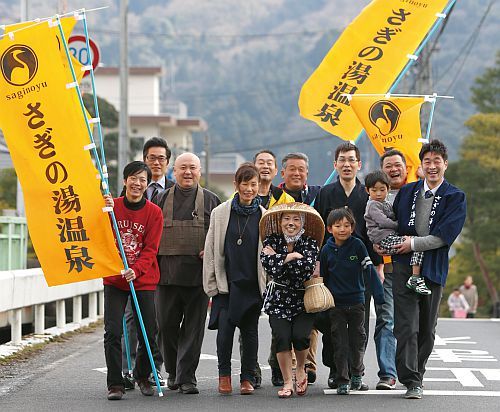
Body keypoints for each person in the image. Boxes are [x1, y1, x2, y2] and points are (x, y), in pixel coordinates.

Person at [391, 139, 466, 399]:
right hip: (403, 266)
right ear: (421, 166)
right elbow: (393, 224)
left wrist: (411, 243)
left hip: (432, 268)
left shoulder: (455, 196)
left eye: (437, 161)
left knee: (426, 328)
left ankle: (418, 372)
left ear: (445, 164)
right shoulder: (407, 191)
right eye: (427, 161)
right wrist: (383, 243)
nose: (432, 166)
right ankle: (411, 379)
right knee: (406, 325)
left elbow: (445, 236)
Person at [314, 142, 381, 390]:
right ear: (335, 165)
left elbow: (375, 234)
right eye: (342, 160)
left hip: (360, 272)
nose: (347, 164)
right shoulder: (326, 193)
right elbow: (318, 231)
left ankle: (357, 373)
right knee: (332, 324)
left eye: (352, 160)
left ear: (359, 164)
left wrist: (379, 267)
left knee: (358, 328)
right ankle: (335, 370)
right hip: (332, 271)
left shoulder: (367, 195)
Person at [155, 152, 221, 394]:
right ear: (174, 170)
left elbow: (219, 236)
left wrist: (210, 250)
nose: (188, 172)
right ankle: (173, 371)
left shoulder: (212, 200)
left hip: (198, 278)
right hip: (166, 276)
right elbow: (151, 236)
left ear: (200, 171)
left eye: (192, 168)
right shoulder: (160, 198)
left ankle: (187, 378)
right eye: (183, 168)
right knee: (166, 326)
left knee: (194, 329)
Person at [203, 163, 266, 395]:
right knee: (225, 333)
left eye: (253, 184)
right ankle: (224, 376)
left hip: (252, 283)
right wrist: (211, 285)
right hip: (227, 283)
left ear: (259, 186)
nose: (249, 189)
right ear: (236, 185)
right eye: (244, 184)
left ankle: (248, 377)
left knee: (250, 333)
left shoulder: (264, 217)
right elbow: (210, 250)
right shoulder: (220, 213)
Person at [103, 161, 163, 401]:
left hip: (143, 278)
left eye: (142, 180)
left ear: (147, 185)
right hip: (114, 279)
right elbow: (99, 237)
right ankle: (115, 383)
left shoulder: (153, 213)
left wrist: (135, 270)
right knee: (113, 332)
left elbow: (151, 249)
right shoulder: (111, 207)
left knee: (148, 331)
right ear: (125, 180)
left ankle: (141, 375)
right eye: (134, 178)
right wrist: (104, 210)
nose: (137, 184)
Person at [121, 137, 172, 389]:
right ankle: (127, 369)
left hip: (165, 266)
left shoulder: (175, 190)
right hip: (135, 268)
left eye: (161, 158)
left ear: (168, 162)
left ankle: (152, 369)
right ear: (144, 160)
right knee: (132, 319)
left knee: (155, 322)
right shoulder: (129, 190)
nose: (156, 162)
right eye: (151, 158)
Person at [260, 203, 324, 398]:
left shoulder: (310, 242)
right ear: (280, 222)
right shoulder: (271, 239)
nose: (291, 223)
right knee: (281, 338)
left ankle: (301, 370)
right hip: (278, 298)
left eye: (296, 219)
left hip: (303, 297)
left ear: (302, 223)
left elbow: (304, 270)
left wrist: (280, 258)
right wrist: (291, 256)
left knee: (301, 336)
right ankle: (288, 380)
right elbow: (268, 266)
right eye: (286, 219)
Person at [320, 208, 385, 395]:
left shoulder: (358, 245)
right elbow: (322, 278)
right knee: (339, 343)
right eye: (338, 225)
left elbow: (369, 270)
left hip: (357, 302)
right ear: (329, 228)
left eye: (346, 225)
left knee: (358, 341)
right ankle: (343, 380)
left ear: (352, 227)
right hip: (336, 305)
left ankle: (357, 374)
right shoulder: (326, 250)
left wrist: (379, 296)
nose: (342, 229)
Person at [272, 152, 320, 386]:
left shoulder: (316, 195)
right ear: (283, 173)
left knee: (308, 323)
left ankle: (307, 365)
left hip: (309, 269)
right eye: (292, 169)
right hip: (280, 280)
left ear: (307, 173)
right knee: (281, 328)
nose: (297, 173)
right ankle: (285, 370)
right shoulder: (274, 197)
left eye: (301, 169)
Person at [372, 149, 408, 390]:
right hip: (385, 269)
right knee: (386, 320)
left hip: (413, 269)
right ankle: (388, 373)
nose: (394, 169)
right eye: (388, 166)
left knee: (412, 322)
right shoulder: (376, 198)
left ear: (406, 168)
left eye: (397, 165)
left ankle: (411, 371)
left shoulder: (417, 192)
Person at [364, 170, 431, 295]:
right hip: (384, 240)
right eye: (374, 190)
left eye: (382, 190)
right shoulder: (372, 205)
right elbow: (383, 222)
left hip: (389, 237)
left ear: (388, 189)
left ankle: (416, 276)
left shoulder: (386, 203)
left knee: (417, 244)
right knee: (418, 243)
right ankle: (415, 278)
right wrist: (399, 226)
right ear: (367, 190)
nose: (378, 193)